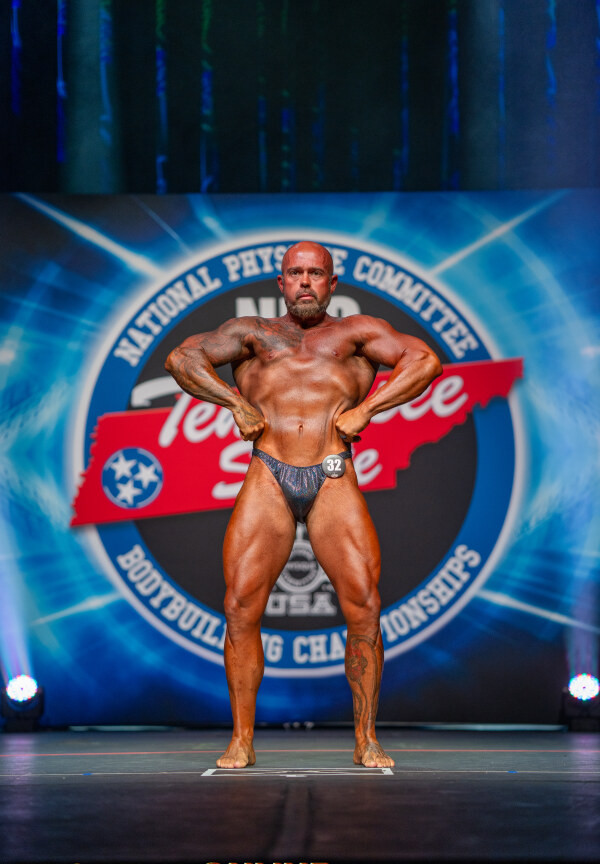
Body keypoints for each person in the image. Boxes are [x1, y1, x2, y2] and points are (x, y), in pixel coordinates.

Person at [165, 241, 442, 768]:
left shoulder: (357, 333)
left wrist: (369, 409)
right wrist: (234, 402)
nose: (306, 282)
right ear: (282, 282)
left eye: (317, 273)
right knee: (240, 607)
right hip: (267, 471)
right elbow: (181, 358)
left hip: (333, 472)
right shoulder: (252, 333)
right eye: (296, 273)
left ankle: (366, 738)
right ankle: (241, 740)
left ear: (333, 283)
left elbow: (425, 360)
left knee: (364, 605)